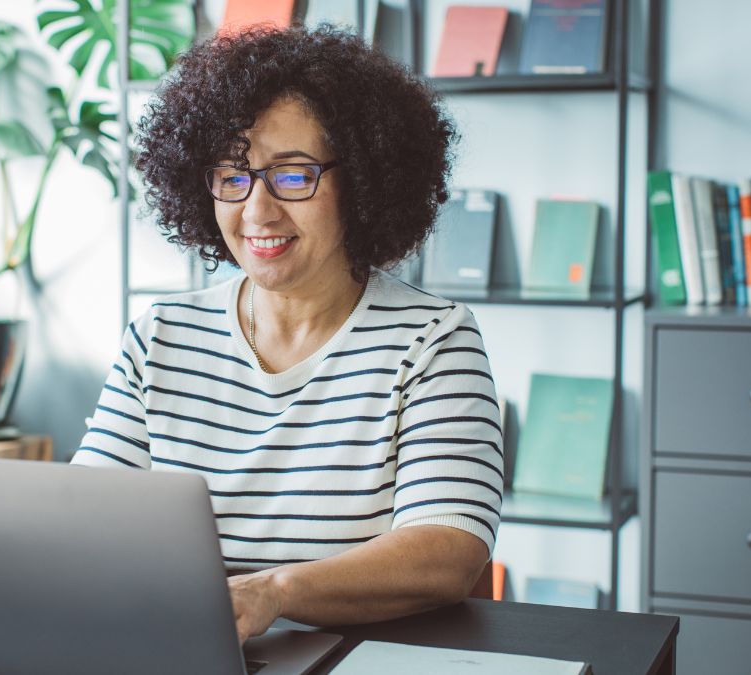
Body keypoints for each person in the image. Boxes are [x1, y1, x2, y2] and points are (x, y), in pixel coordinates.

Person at [71, 25, 503, 644]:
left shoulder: (434, 342)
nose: (258, 211)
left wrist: (273, 593)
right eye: (232, 176)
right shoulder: (160, 336)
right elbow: (79, 519)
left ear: (363, 180)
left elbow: (448, 552)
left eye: (294, 176)